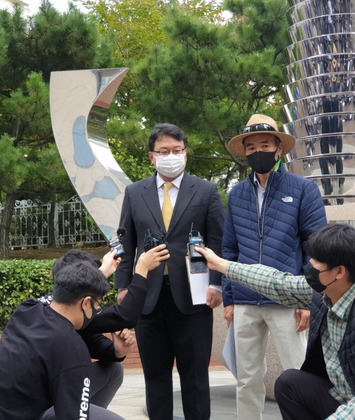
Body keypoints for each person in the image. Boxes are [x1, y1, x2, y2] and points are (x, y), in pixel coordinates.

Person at [196, 223, 355, 420]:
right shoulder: (328, 292)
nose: (309, 266)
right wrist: (221, 265)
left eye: (316, 261)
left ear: (339, 271)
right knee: (291, 383)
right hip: (349, 399)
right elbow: (276, 282)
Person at [114, 123, 225, 420]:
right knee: (156, 379)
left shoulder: (206, 190)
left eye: (177, 151)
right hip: (147, 300)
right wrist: (123, 288)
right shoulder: (134, 192)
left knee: (196, 379)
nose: (171, 156)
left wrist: (217, 285)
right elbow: (126, 244)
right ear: (152, 157)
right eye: (164, 151)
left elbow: (218, 243)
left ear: (186, 154)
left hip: (194, 297)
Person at [223, 113, 327, 418]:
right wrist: (229, 299)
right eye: (251, 146)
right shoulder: (236, 194)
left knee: (298, 374)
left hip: (286, 298)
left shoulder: (302, 190)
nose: (258, 151)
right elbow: (229, 249)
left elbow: (316, 247)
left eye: (265, 144)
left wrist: (309, 298)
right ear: (244, 152)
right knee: (246, 379)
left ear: (278, 148)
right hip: (244, 299)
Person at [0, 260, 121, 420]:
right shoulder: (71, 348)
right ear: (86, 302)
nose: (96, 311)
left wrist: (99, 273)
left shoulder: (28, 310)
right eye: (97, 305)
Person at [36, 245, 169, 419]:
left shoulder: (38, 308)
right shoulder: (65, 313)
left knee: (114, 369)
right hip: (39, 405)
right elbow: (125, 316)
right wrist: (142, 269)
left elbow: (93, 343)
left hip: (53, 393)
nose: (98, 303)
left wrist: (117, 350)